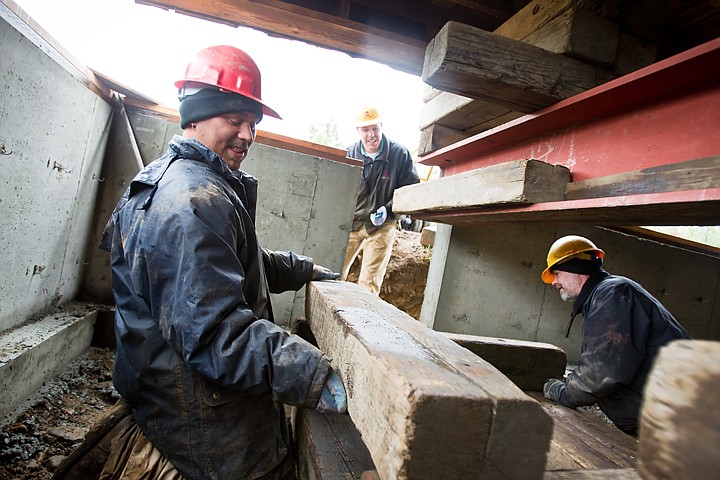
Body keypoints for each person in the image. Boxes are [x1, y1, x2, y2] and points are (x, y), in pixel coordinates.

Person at [99, 45, 347, 479]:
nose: (248, 135)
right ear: (195, 115)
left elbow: (225, 264)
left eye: (253, 123)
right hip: (201, 417)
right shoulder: (191, 202)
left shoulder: (179, 181)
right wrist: (313, 374)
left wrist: (301, 269)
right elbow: (216, 334)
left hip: (166, 390)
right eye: (235, 120)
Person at [540, 235, 691, 436]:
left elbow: (600, 373)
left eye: (557, 273)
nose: (554, 282)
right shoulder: (605, 295)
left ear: (576, 267)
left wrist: (561, 392)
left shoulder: (612, 295)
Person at [340, 106, 420, 294]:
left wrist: (389, 210)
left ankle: (362, 320)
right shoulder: (349, 153)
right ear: (358, 131)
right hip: (352, 222)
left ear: (381, 126)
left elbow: (410, 190)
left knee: (369, 285)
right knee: (333, 273)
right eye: (365, 130)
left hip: (382, 225)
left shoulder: (400, 155)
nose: (371, 135)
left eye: (375, 128)